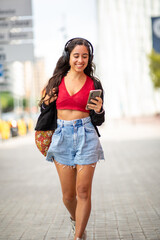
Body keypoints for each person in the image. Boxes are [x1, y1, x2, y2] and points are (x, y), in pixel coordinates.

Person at [37, 37, 105, 240]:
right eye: (76, 56)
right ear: (68, 57)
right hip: (62, 136)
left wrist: (99, 110)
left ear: (89, 58)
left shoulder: (95, 83)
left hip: (87, 135)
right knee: (68, 197)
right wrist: (45, 103)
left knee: (83, 191)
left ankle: (78, 236)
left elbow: (99, 119)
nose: (80, 60)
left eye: (85, 56)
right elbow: (45, 111)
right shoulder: (56, 81)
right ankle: (76, 221)